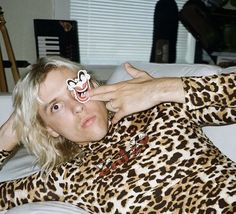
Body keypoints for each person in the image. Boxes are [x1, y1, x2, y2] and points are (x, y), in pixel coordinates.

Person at [0, 56, 235, 213]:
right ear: (49, 128)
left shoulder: (158, 107)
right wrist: (11, 131)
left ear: (92, 84)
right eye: (56, 106)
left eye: (76, 88)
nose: (77, 106)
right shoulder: (66, 178)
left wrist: (162, 88)